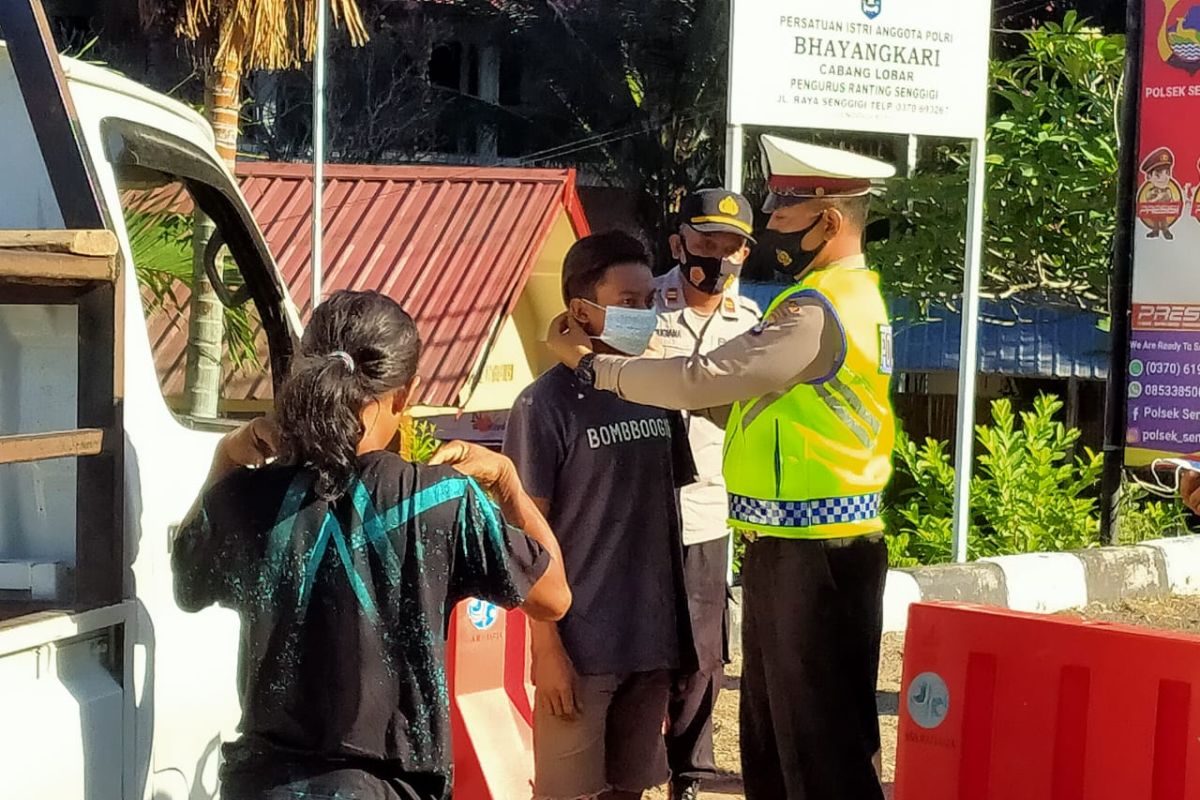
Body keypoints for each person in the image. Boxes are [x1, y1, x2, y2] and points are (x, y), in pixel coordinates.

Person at [545, 135, 898, 800]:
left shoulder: (813, 307)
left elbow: (703, 380)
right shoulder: (856, 298)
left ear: (828, 220)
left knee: (815, 746)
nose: (768, 234)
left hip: (813, 555)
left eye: (783, 219)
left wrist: (595, 367)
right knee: (781, 736)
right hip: (805, 546)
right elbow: (745, 409)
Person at [171, 290, 571, 800]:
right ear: (405, 396)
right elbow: (554, 597)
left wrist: (225, 458)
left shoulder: (247, 495)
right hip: (388, 788)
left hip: (261, 785)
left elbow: (188, 584)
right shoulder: (442, 499)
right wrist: (510, 485)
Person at [502, 231, 697, 800]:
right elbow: (524, 535)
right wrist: (547, 650)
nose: (645, 316)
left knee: (629, 792)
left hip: (650, 643)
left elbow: (668, 524)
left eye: (649, 301)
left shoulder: (656, 392)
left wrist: (680, 643)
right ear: (582, 311)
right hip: (581, 651)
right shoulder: (542, 406)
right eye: (629, 303)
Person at [656, 189, 760, 800]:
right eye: (705, 243)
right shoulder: (644, 308)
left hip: (706, 511)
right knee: (643, 651)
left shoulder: (753, 327)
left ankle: (690, 776)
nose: (716, 258)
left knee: (703, 655)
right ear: (679, 243)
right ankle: (637, 766)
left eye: (731, 247)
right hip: (640, 512)